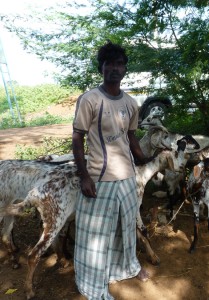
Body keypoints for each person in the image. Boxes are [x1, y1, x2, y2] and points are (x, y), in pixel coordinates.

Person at [72, 41, 151, 300]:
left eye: (119, 64)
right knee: (95, 234)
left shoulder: (130, 103)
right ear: (101, 68)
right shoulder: (90, 100)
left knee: (126, 226)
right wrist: (84, 176)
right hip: (99, 178)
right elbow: (77, 139)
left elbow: (132, 138)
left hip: (127, 176)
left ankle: (128, 266)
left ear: (125, 69)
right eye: (109, 64)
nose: (115, 69)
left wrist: (146, 159)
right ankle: (93, 283)